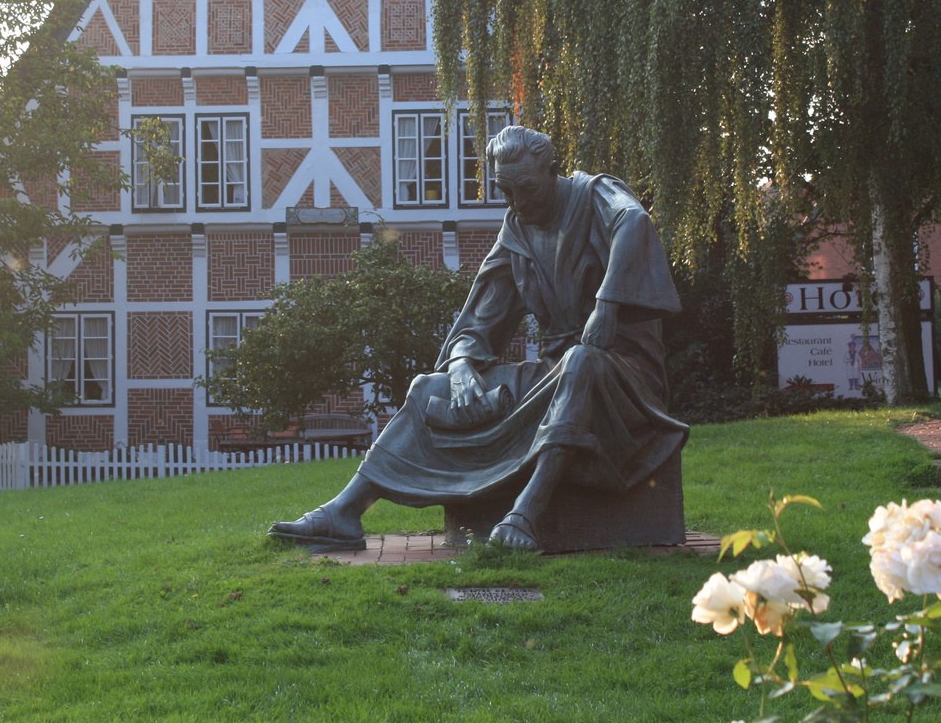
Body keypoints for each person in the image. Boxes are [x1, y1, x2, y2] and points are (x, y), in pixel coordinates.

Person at [270, 124, 688, 550]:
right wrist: (462, 365)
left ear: (552, 171)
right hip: (556, 373)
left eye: (526, 189)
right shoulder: (518, 231)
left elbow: (633, 220)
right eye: (506, 193)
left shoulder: (593, 195)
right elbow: (480, 321)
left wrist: (607, 304)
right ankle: (345, 511)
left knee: (581, 360)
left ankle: (525, 516)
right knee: (427, 389)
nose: (517, 203)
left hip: (625, 375)